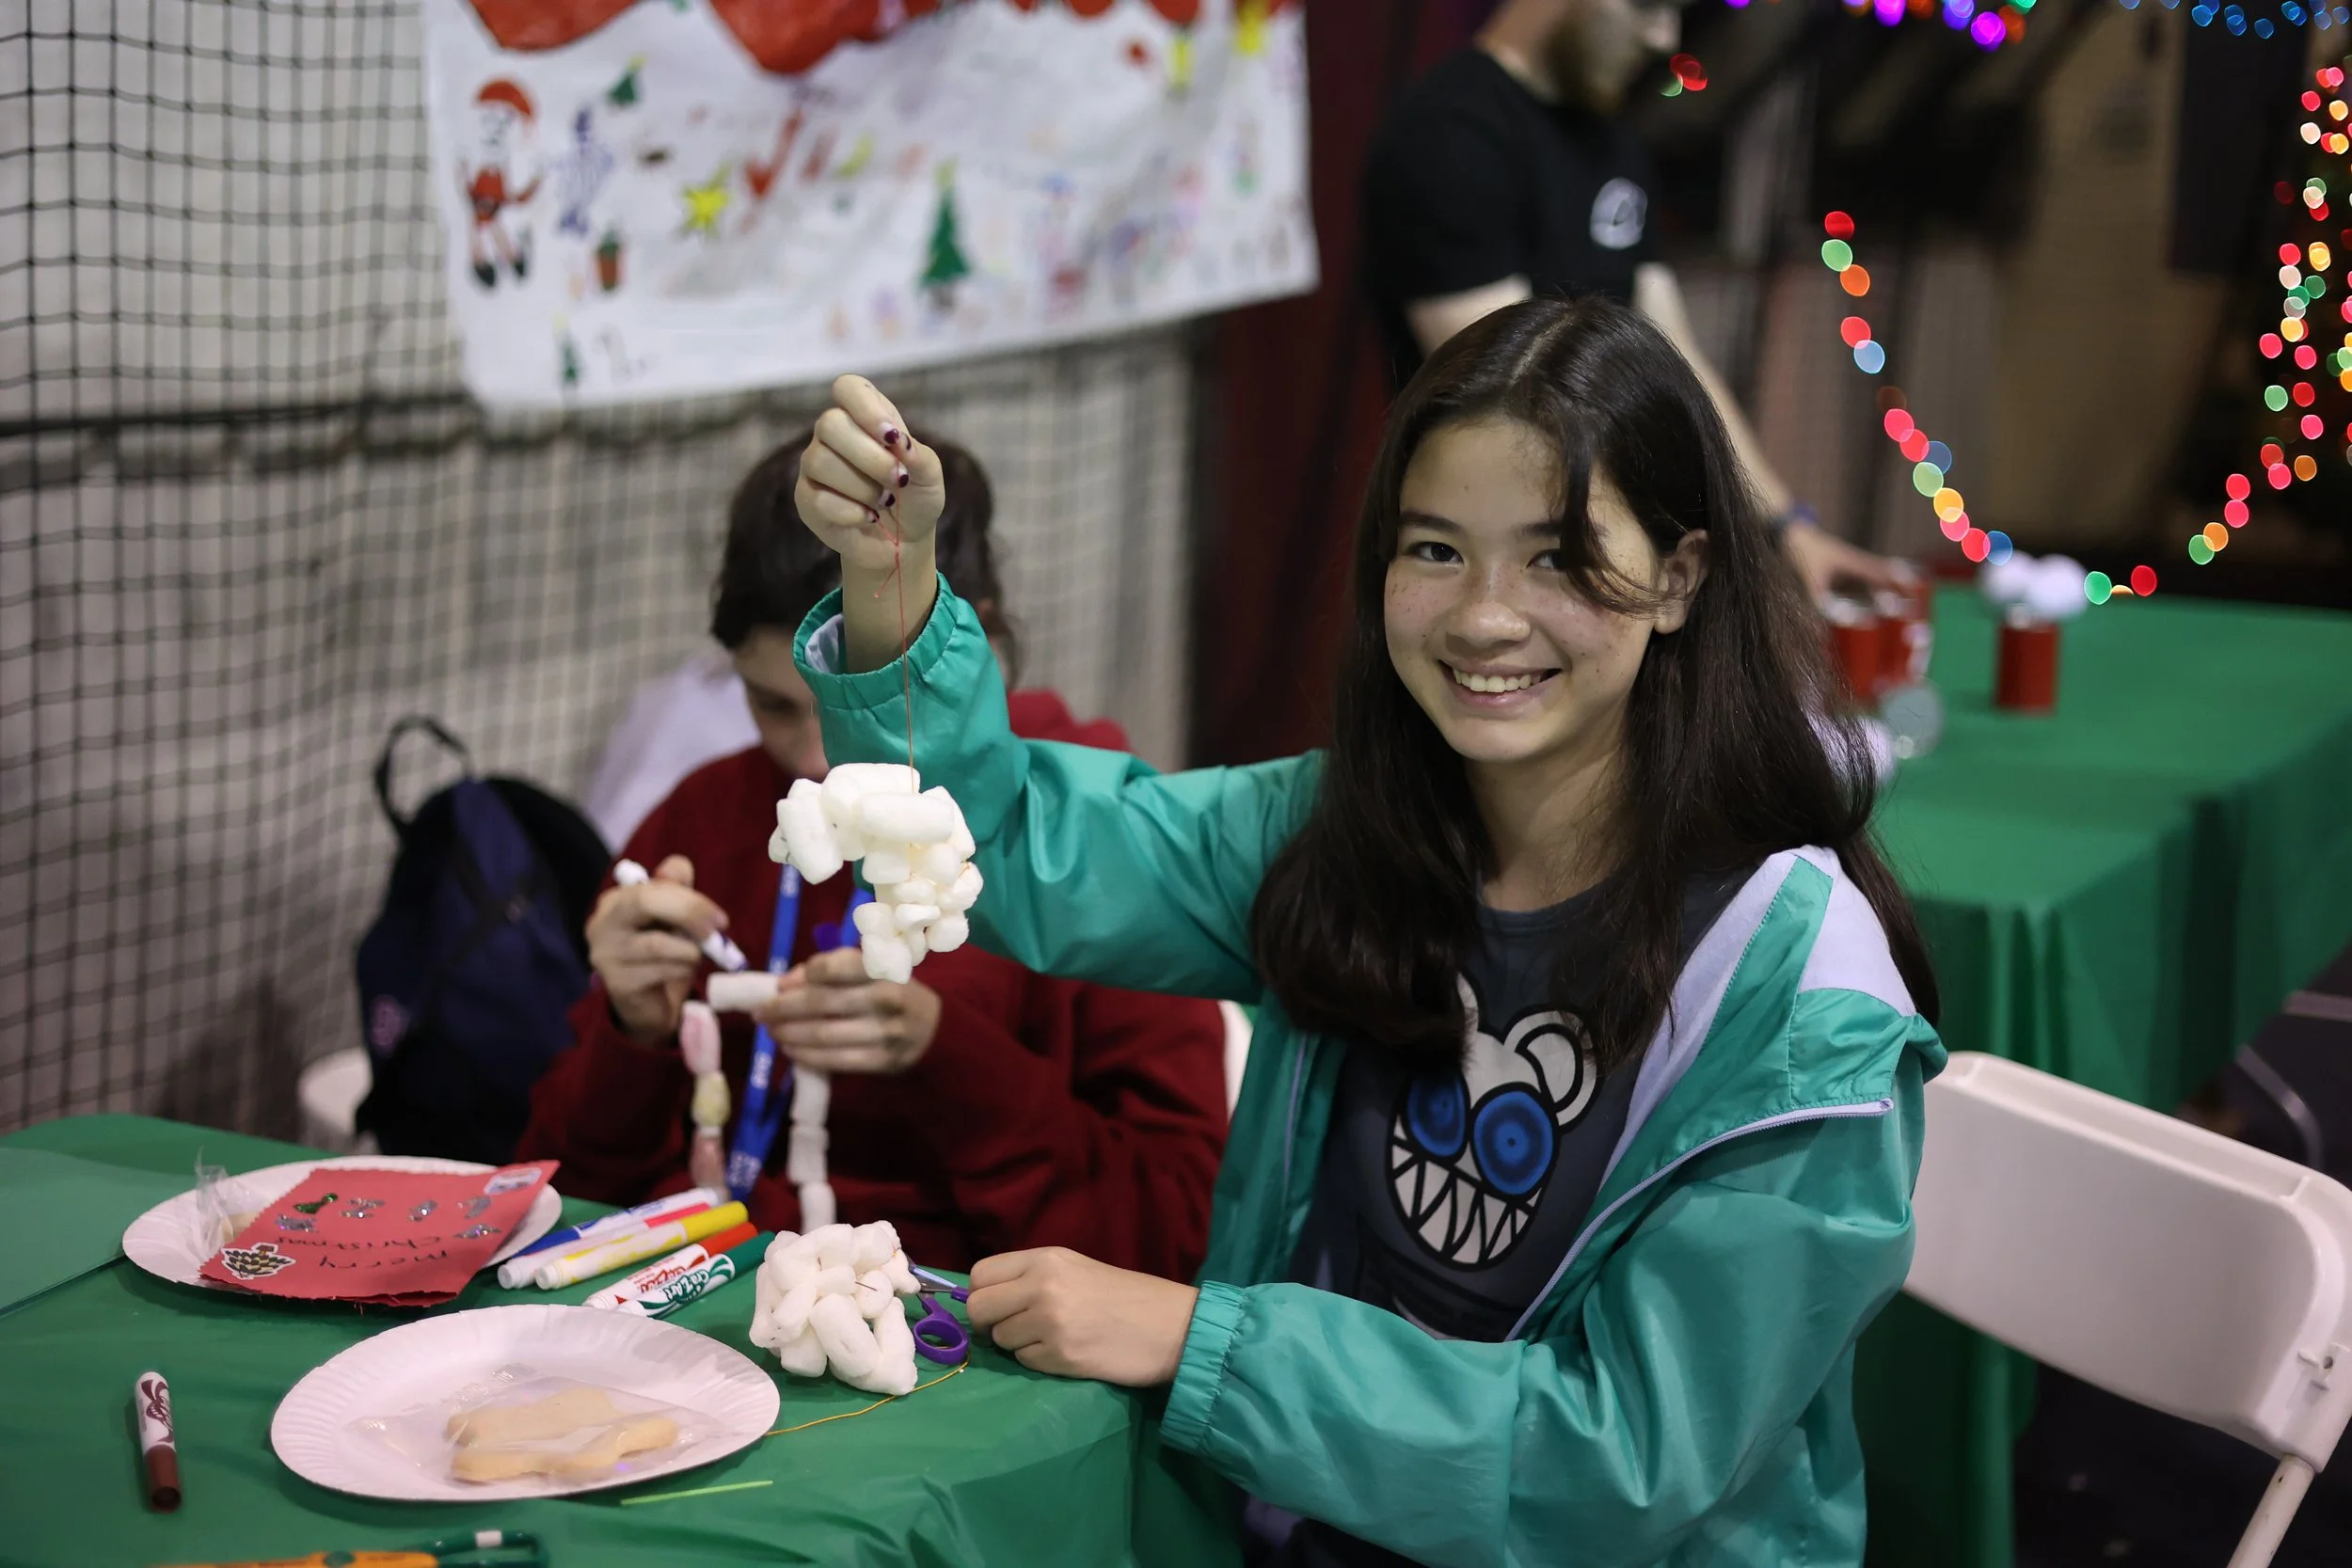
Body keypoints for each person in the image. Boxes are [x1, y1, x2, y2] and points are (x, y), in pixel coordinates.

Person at [789, 298, 1943, 1567]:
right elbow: (1003, 851)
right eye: (1436, 549)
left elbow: (1619, 1458)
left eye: (1557, 556)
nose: (1484, 617)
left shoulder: (1797, 1000)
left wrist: (1200, 1339)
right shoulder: (1351, 831)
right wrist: (892, 585)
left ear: (1681, 574)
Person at [515, 433, 1226, 1279]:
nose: (818, 759)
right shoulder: (700, 819)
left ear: (966, 643)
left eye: (860, 696)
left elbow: (1178, 1233)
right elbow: (563, 1203)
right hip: (715, 1302)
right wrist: (633, 1035)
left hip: (971, 1331)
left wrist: (947, 1055)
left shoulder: (1084, 830)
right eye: (773, 704)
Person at [1360, 0, 1911, 603]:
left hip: (1595, 565)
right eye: (1647, 6)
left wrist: (1783, 529)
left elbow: (1677, 359)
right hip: (1484, 575)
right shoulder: (1448, 136)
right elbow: (1520, 401)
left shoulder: (1610, 140)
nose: (1662, 37)